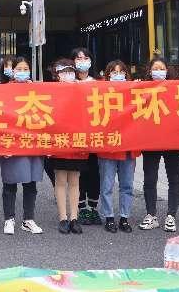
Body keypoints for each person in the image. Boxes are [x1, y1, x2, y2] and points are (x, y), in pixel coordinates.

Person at [0, 57, 45, 235]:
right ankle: (9, 219)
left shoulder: (37, 90)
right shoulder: (3, 90)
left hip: (32, 142)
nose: (22, 72)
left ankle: (28, 219)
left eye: (26, 69)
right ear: (12, 71)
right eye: (19, 69)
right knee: (10, 182)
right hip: (11, 141)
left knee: (30, 183)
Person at [139, 57, 179, 232]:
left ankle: (171, 215)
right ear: (149, 71)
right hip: (151, 140)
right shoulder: (142, 88)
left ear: (167, 70)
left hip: (173, 140)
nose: (159, 71)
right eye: (155, 68)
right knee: (150, 178)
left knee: (174, 178)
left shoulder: (176, 88)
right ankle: (151, 214)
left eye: (162, 68)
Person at [98, 60, 138, 234]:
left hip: (128, 147)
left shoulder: (134, 91)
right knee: (107, 185)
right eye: (114, 72)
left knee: (127, 185)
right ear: (107, 75)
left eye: (121, 72)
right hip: (108, 146)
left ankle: (124, 217)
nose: (118, 75)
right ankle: (108, 217)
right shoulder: (100, 92)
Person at [48, 58, 87, 235]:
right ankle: (63, 217)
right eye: (64, 72)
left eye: (70, 72)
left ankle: (74, 217)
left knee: (75, 180)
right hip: (59, 139)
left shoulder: (82, 90)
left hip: (77, 139)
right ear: (57, 75)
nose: (68, 75)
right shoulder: (51, 91)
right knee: (60, 179)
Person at [72, 47, 101, 226]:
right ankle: (82, 207)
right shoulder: (68, 83)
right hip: (75, 135)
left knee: (94, 172)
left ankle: (93, 208)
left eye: (85, 58)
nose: (82, 61)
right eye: (78, 58)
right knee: (79, 172)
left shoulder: (98, 83)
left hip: (94, 135)